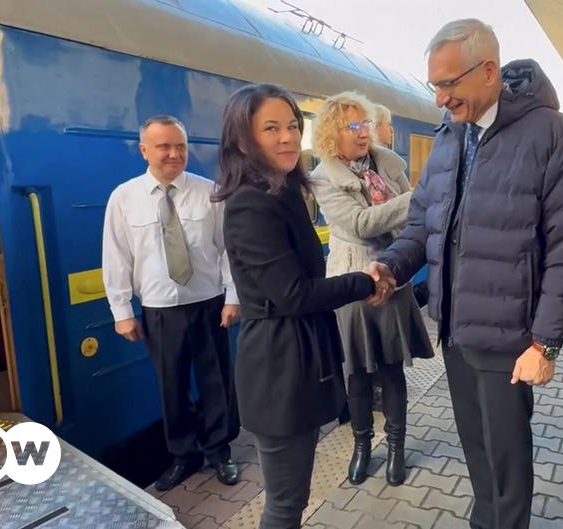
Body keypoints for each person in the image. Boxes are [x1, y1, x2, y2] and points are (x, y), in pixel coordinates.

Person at [370, 19, 563, 529]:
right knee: (478, 451)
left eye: (448, 85)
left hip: (510, 339)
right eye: (435, 86)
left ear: (489, 71)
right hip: (455, 329)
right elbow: (422, 224)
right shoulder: (451, 137)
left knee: (507, 461)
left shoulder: (554, 135)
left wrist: (546, 344)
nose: (439, 100)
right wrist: (390, 267)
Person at [212, 84, 389, 529]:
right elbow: (292, 294)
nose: (288, 137)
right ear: (242, 139)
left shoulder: (281, 191)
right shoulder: (251, 203)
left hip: (294, 357)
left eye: (292, 125)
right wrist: (362, 281)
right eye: (271, 128)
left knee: (294, 496)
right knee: (286, 504)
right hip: (278, 366)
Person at [102, 115, 240, 491]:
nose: (174, 154)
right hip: (159, 310)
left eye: (180, 146)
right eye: (164, 146)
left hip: (209, 304)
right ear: (144, 150)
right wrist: (122, 312)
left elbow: (228, 250)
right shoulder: (124, 198)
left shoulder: (209, 192)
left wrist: (232, 297)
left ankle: (219, 452)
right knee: (171, 385)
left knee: (216, 381)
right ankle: (184, 455)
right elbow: (116, 257)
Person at [308, 91, 435, 487]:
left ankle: (396, 446)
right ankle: (362, 446)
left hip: (393, 277)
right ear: (332, 133)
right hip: (351, 282)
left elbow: (414, 224)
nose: (364, 133)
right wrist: (418, 197)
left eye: (366, 125)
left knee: (392, 368)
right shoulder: (322, 178)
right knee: (357, 373)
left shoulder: (388, 165)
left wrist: (412, 209)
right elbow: (360, 224)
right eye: (354, 127)